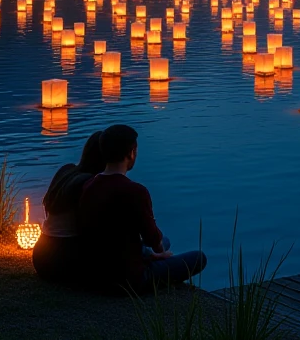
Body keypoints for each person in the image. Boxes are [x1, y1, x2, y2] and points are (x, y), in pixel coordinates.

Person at [78, 124, 207, 292]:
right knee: (198, 257)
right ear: (131, 153)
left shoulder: (89, 185)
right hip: (130, 279)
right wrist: (158, 253)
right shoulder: (136, 191)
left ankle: (147, 256)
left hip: (94, 274)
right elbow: (155, 241)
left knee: (163, 240)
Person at [31, 131, 104, 284]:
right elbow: (88, 229)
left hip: (40, 255)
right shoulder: (90, 183)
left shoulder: (67, 171)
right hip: (64, 259)